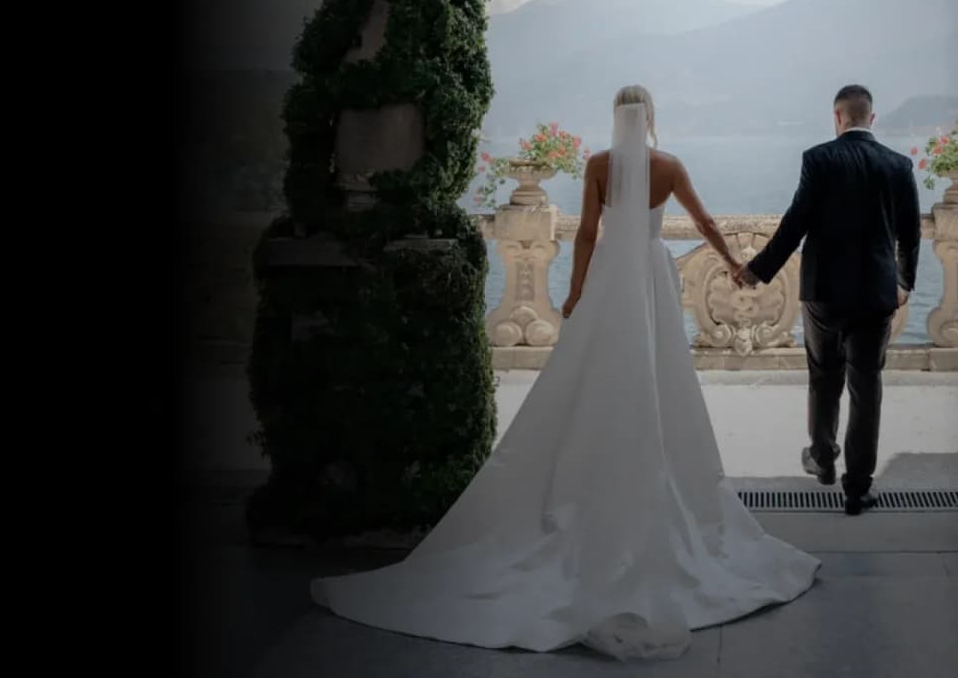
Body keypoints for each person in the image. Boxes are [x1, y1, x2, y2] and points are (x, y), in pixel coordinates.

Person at [309, 85, 819, 661]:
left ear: (615, 117)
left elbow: (585, 234)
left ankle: (592, 459)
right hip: (651, 272)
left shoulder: (599, 164)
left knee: (595, 370)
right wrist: (733, 265)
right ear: (649, 117)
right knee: (657, 371)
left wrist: (575, 292)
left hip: (611, 276)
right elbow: (703, 223)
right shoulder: (670, 166)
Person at [734, 83, 922, 515]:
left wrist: (756, 271)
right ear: (871, 119)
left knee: (823, 377)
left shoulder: (818, 159)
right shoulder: (899, 165)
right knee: (866, 387)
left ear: (837, 117)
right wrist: (904, 284)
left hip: (823, 293)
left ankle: (822, 460)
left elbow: (794, 225)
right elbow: (910, 236)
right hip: (876, 293)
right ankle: (858, 488)